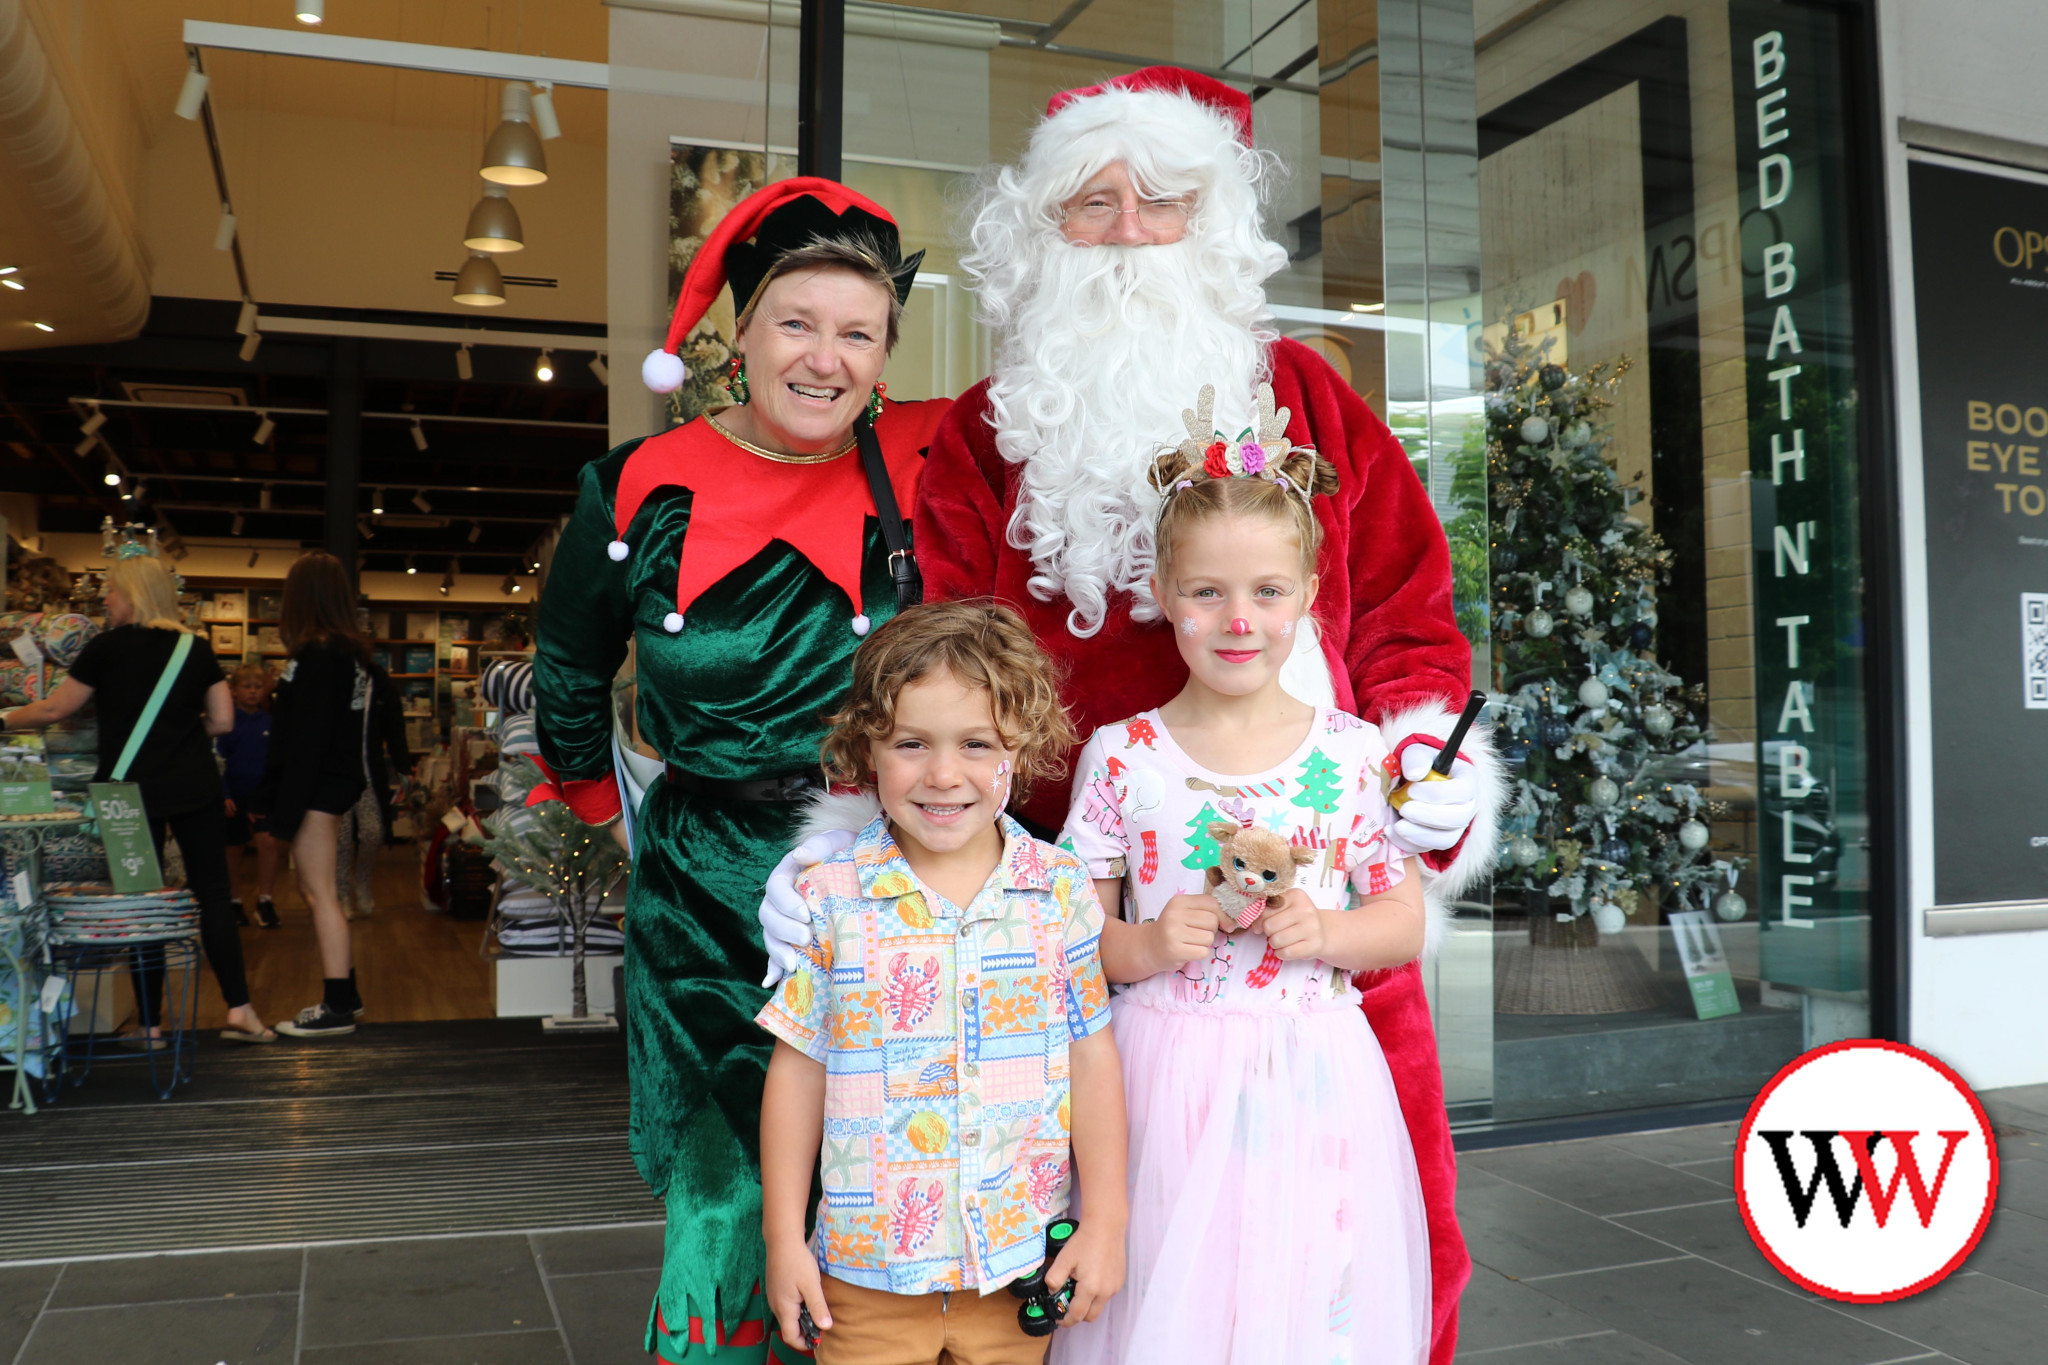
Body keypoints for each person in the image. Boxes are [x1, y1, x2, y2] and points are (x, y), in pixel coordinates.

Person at [760, 71, 1501, 1363]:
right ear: (1042, 232)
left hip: (1313, 879)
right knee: (1097, 1232)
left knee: (1360, 1235)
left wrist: (1426, 749)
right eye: (1090, 203)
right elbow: (939, 639)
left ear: (1213, 223)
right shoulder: (994, 427)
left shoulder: (1306, 398)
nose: (1125, 229)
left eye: (1161, 201)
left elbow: (1401, 597)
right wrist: (857, 841)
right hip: (1064, 898)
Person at [531, 178, 952, 1363]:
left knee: (879, 1194)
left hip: (885, 882)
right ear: (739, 333)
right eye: (796, 322)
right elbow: (567, 665)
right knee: (720, 1195)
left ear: (884, 354)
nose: (825, 358)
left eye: (857, 332)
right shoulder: (634, 487)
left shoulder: (928, 460)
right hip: (705, 893)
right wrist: (606, 806)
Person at [1053, 393, 1429, 1363]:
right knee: (1173, 1297)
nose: (1236, 620)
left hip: (1307, 1078)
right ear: (1163, 592)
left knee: (1298, 1302)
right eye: (1206, 592)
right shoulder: (1121, 757)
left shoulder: (1348, 755)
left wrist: (1328, 932)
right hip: (1158, 1080)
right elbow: (1068, 939)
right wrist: (1141, 944)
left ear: (1306, 594)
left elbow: (1401, 917)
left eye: (1266, 592)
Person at [756, 602, 1126, 1364]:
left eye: (976, 743)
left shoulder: (1059, 890)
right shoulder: (831, 895)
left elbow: (1091, 1058)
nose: (943, 773)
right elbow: (797, 1071)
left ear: (1019, 748)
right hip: (864, 1281)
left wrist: (1108, 1221)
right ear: (868, 750)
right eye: (912, 743)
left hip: (1017, 1271)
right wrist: (782, 1238)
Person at [2, 553, 273, 1044]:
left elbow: (57, 708)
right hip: (194, 787)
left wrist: (4, 720)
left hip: (127, 797)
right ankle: (240, 1010)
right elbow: (224, 721)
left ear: (133, 596)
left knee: (140, 902)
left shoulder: (105, 649)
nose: (107, 600)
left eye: (112, 591)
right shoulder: (195, 647)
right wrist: (181, 737)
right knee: (213, 896)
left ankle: (150, 1026)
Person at [259, 552, 372, 1040]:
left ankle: (338, 1005)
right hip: (327, 786)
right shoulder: (344, 655)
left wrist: (282, 808)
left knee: (321, 892)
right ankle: (346, 993)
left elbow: (304, 740)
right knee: (319, 891)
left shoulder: (318, 658)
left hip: (315, 790)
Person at [335, 659, 411, 919]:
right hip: (338, 775)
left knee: (373, 833)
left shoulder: (380, 683)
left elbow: (395, 729)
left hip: (369, 775)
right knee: (342, 840)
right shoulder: (334, 677)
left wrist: (404, 768)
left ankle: (362, 882)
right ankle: (342, 894)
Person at [218, 663, 281, 929]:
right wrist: (224, 794)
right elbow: (217, 761)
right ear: (233, 690)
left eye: (258, 687)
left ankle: (265, 900)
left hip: (262, 796)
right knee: (233, 848)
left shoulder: (271, 722)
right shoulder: (226, 721)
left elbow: (276, 762)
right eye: (247, 687)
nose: (253, 692)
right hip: (233, 795)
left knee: (268, 842)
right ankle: (234, 902)